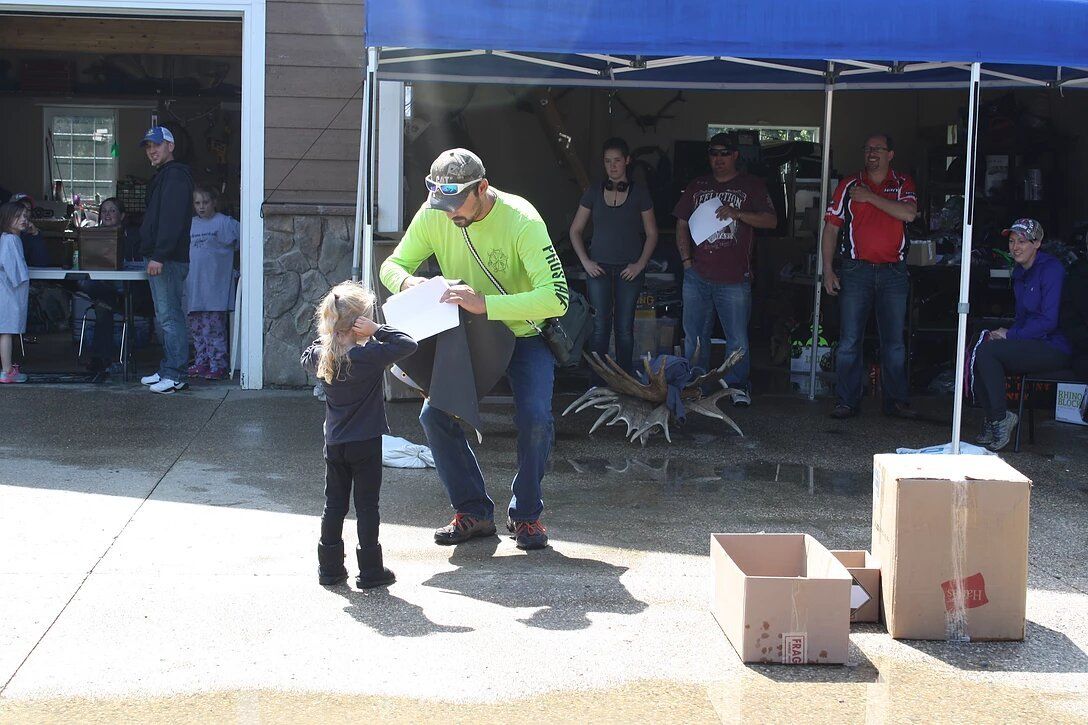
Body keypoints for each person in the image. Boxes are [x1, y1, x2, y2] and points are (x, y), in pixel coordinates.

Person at [379, 148, 568, 551]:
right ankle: (474, 512)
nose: (448, 214)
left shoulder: (523, 220)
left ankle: (527, 515)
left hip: (525, 333)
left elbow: (557, 298)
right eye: (441, 206)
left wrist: (487, 304)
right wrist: (409, 283)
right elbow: (391, 266)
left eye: (455, 204)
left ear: (482, 188)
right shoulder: (435, 212)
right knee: (434, 417)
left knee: (535, 419)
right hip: (467, 335)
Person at [301, 281, 417, 588]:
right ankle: (370, 570)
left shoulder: (321, 357)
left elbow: (307, 354)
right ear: (359, 324)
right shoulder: (369, 357)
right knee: (367, 506)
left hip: (334, 443)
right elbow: (407, 344)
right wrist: (377, 329)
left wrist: (330, 336)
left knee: (334, 504)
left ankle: (330, 569)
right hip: (365, 442)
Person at [673, 132, 776, 407]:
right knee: (694, 335)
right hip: (697, 275)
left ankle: (737, 387)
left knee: (737, 338)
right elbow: (681, 223)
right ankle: (695, 386)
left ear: (735, 155)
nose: (718, 158)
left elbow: (770, 220)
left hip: (734, 276)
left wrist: (737, 213)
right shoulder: (697, 185)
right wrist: (686, 263)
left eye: (723, 153)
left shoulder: (751, 185)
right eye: (713, 153)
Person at [822, 133, 918, 420]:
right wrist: (827, 270)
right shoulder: (849, 184)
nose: (871, 153)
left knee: (895, 342)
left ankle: (896, 401)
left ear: (891, 154)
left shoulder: (902, 183)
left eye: (878, 149)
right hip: (856, 271)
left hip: (894, 273)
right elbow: (831, 228)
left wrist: (871, 198)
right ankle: (847, 401)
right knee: (850, 340)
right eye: (867, 149)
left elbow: (909, 214)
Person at [972, 219, 1071, 451]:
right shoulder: (1019, 272)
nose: (1015, 247)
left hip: (1055, 346)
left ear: (1037, 243)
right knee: (980, 348)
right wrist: (1004, 333)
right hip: (1033, 341)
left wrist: (1012, 335)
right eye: (1012, 241)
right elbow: (1023, 318)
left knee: (988, 352)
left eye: (1022, 242)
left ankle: (1001, 418)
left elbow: (1049, 321)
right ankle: (994, 419)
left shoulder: (1051, 269)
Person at [569, 137, 658, 380]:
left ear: (627, 161)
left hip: (629, 269)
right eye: (608, 161)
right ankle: (597, 383)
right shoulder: (593, 191)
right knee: (599, 328)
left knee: (624, 329)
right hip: (598, 268)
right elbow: (575, 230)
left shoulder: (640, 193)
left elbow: (652, 233)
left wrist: (640, 264)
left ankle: (624, 381)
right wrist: (585, 262)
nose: (613, 166)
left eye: (617, 161)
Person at [136, 126, 195, 395]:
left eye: (156, 145)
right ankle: (168, 367)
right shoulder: (166, 177)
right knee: (165, 317)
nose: (152, 150)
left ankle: (175, 374)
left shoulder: (175, 177)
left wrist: (159, 255)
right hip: (162, 258)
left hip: (167, 260)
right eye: (148, 146)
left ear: (170, 146)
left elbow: (171, 220)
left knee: (170, 318)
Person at [80, 197, 143, 374]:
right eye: (104, 210)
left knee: (103, 305)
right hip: (105, 290)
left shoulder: (133, 237)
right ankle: (101, 358)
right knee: (103, 305)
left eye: (112, 210)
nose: (107, 214)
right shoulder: (93, 235)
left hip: (130, 289)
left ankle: (100, 358)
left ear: (122, 216)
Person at [186, 186, 239, 380]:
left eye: (205, 202)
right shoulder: (190, 225)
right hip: (194, 287)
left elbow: (244, 242)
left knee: (214, 329)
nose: (201, 207)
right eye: (197, 203)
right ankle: (202, 362)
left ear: (214, 202)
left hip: (215, 286)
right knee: (197, 328)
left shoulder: (225, 223)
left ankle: (219, 364)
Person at [0, 201, 30, 383]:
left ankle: (7, 368)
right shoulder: (10, 239)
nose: (24, 220)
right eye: (18, 216)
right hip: (8, 291)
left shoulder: (9, 238)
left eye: (26, 216)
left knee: (6, 329)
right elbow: (15, 271)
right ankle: (7, 370)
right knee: (7, 330)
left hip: (7, 289)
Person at [10, 194, 50, 267]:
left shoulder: (32, 234)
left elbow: (41, 264)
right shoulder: (5, 237)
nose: (24, 213)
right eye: (20, 209)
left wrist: (35, 234)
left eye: (28, 210)